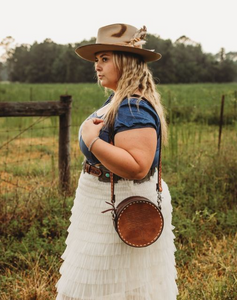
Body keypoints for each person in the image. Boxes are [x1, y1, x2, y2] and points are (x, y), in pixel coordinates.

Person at [56, 23, 178, 300]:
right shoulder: (118, 100)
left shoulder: (131, 107)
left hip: (123, 201)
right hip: (103, 197)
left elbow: (137, 167)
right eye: (97, 60)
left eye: (105, 59)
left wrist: (93, 141)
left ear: (126, 62)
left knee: (115, 283)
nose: (97, 66)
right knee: (105, 280)